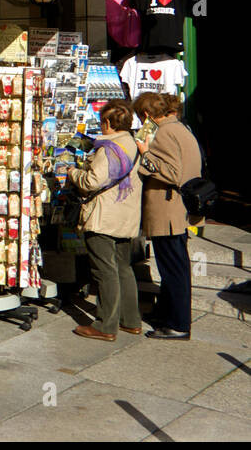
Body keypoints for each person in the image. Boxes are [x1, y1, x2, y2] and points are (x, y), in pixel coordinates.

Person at [65, 99, 143, 342]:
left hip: (103, 216)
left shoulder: (108, 149)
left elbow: (92, 181)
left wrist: (73, 173)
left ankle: (105, 325)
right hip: (125, 216)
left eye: (102, 122)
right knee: (123, 267)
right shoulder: (132, 143)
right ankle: (130, 321)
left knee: (104, 270)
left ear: (108, 123)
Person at [134, 92, 201, 341]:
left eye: (142, 116)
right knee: (174, 267)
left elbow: (173, 173)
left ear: (148, 115)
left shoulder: (164, 132)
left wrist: (145, 153)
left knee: (173, 269)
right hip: (177, 208)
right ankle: (166, 314)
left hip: (168, 208)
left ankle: (178, 324)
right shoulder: (181, 128)